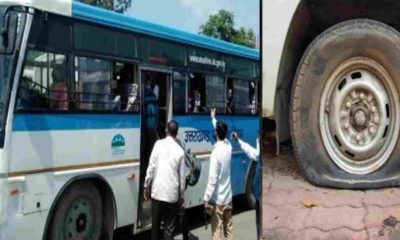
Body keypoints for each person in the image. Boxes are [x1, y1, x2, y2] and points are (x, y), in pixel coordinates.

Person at [144, 120, 186, 240]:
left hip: (157, 193)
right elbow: (182, 179)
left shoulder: (158, 144)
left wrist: (146, 186)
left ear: (166, 130)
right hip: (172, 196)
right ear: (177, 133)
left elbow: (151, 167)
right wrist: (181, 196)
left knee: (155, 228)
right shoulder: (180, 152)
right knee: (169, 228)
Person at [204, 112, 233, 240]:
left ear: (215, 134)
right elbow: (222, 134)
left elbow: (212, 179)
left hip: (218, 201)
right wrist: (213, 118)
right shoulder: (229, 147)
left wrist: (206, 198)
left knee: (216, 232)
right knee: (229, 229)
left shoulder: (216, 152)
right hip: (228, 198)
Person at [232, 131, 260, 239]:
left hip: (259, 195)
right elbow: (250, 151)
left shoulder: (258, 155)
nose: (257, 138)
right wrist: (238, 140)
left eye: (258, 136)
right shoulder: (259, 154)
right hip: (258, 194)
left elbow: (250, 151)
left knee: (259, 221)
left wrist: (238, 140)